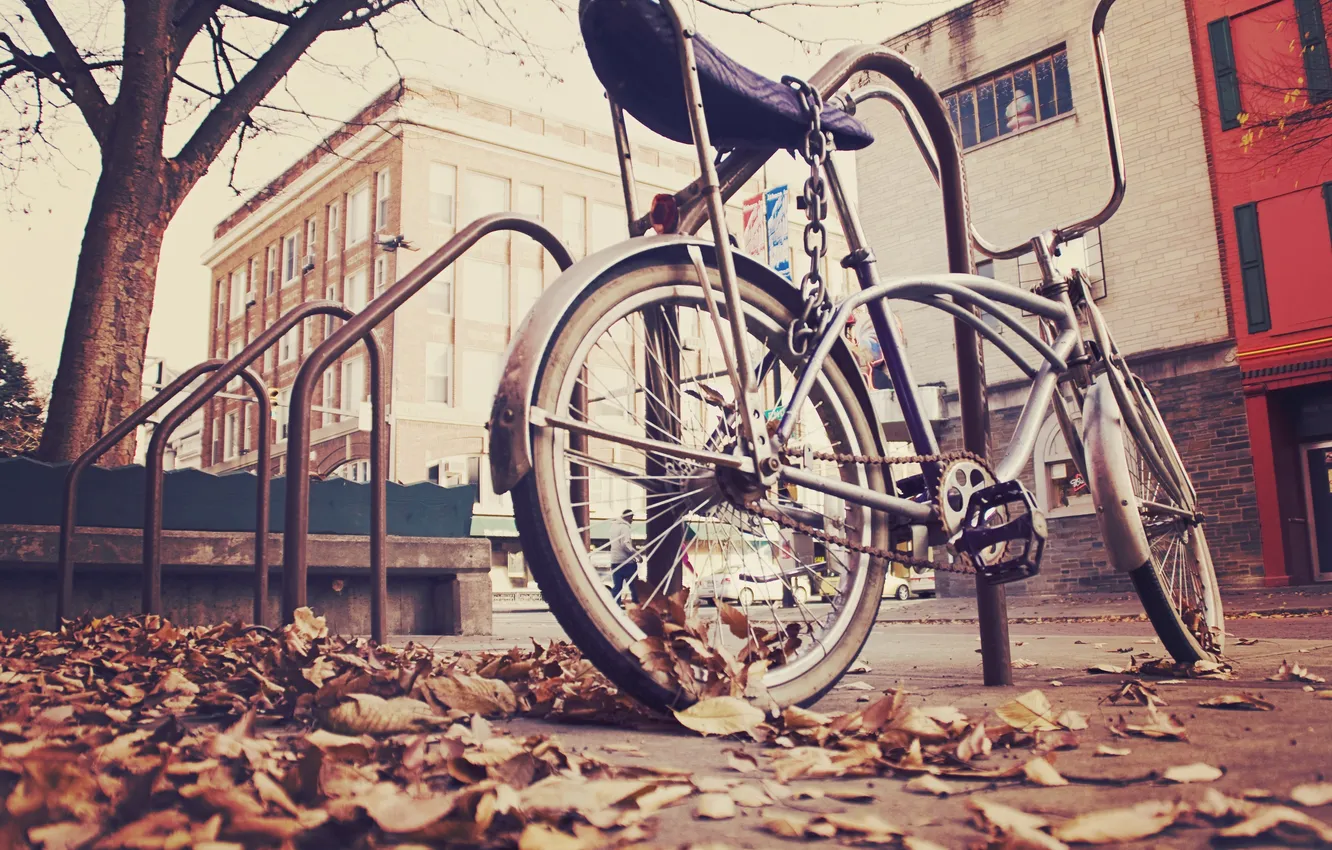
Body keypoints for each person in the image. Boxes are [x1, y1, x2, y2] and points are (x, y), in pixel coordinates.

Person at [608, 509, 638, 604]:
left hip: (615, 562)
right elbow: (626, 545)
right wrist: (637, 556)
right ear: (628, 517)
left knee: (617, 588)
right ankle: (637, 608)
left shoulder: (613, 527)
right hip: (627, 563)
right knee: (635, 588)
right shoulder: (625, 528)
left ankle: (615, 608)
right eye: (632, 518)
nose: (632, 520)